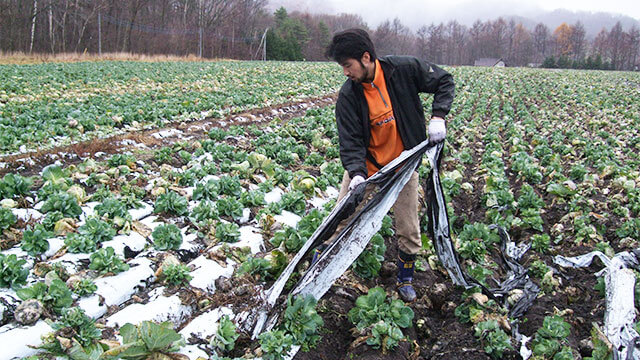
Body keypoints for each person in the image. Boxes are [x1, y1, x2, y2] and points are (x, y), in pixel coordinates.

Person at [321, 28, 455, 302]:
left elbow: (444, 80)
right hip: (368, 168)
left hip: (403, 167)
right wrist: (357, 175)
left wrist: (439, 115)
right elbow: (350, 141)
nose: (345, 72)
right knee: (340, 218)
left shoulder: (402, 70)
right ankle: (319, 265)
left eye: (347, 65)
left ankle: (405, 278)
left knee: (408, 227)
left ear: (366, 57)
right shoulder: (349, 95)